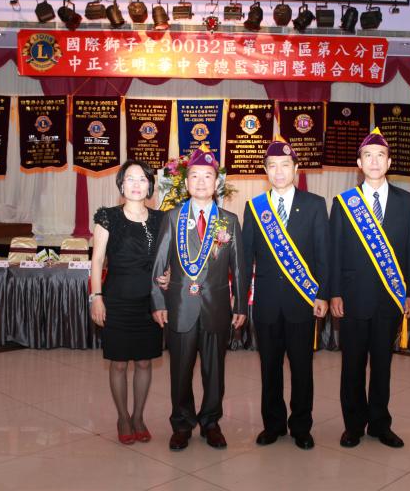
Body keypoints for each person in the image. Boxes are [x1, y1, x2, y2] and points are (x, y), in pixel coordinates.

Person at [150, 144, 248, 451]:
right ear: (186, 182)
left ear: (217, 182)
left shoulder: (228, 220)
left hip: (216, 308)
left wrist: (240, 304)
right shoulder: (172, 218)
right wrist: (158, 302)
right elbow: (159, 264)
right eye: (195, 176)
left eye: (207, 175)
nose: (201, 181)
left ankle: (211, 423)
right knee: (180, 371)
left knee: (214, 371)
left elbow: (239, 267)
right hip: (180, 307)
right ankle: (182, 424)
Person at [329, 128, 410, 449]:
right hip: (352, 297)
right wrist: (334, 292)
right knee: (352, 365)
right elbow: (335, 252)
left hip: (390, 298)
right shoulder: (344, 203)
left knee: (382, 365)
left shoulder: (407, 203)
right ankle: (353, 425)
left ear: (389, 162)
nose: (374, 161)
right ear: (359, 163)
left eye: (380, 155)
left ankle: (380, 424)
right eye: (368, 156)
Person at [242, 139, 329, 450]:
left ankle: (301, 426)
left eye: (285, 165)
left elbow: (323, 254)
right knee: (269, 368)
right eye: (272, 166)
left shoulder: (315, 204)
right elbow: (245, 258)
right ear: (265, 171)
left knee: (302, 368)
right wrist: (240, 301)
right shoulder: (255, 207)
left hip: (302, 302)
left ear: (296, 169)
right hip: (266, 303)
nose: (279, 172)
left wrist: (322, 294)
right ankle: (273, 425)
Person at [90, 160, 168, 445]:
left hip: (150, 302)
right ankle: (123, 418)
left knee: (145, 362)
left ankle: (138, 417)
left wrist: (168, 276)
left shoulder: (162, 219)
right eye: (130, 179)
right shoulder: (108, 217)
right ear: (121, 185)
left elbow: (167, 260)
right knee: (119, 363)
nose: (136, 184)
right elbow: (97, 261)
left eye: (142, 179)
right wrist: (96, 297)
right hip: (116, 299)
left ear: (150, 185)